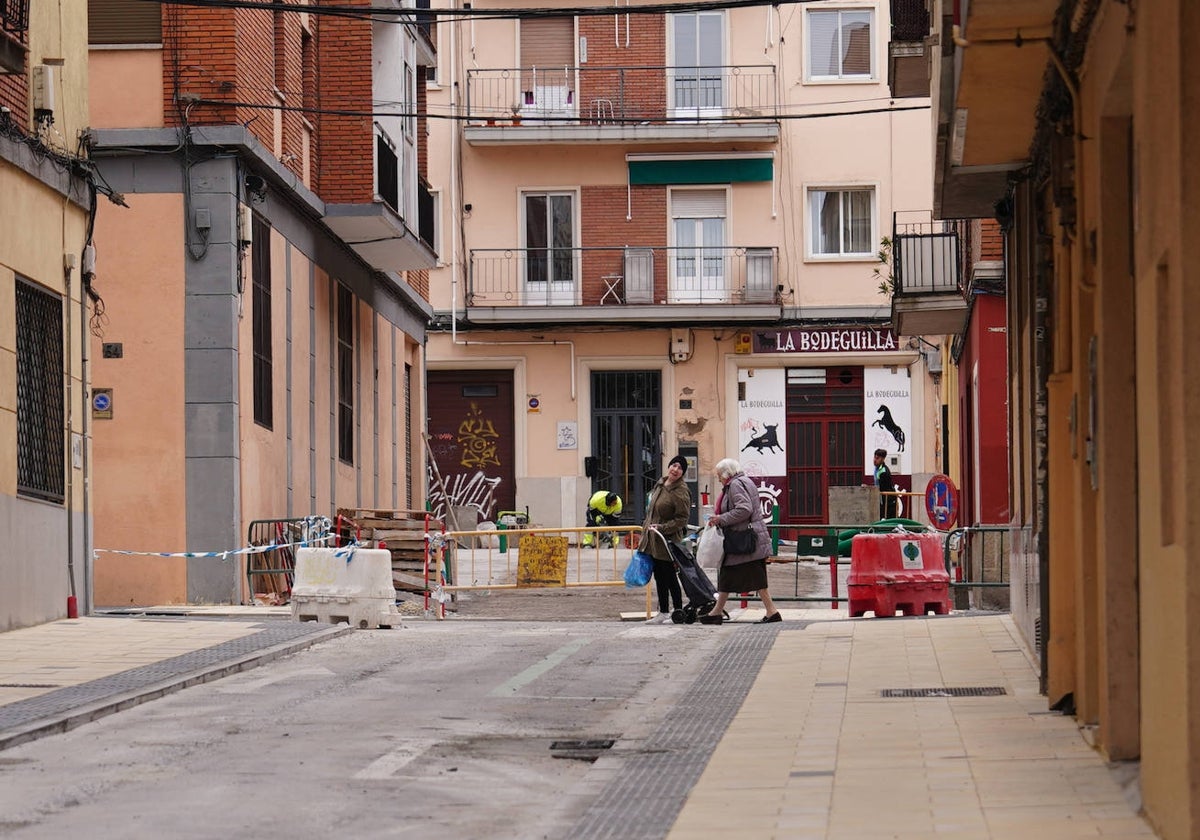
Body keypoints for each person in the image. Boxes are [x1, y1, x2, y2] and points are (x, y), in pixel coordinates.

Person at [699, 457, 780, 624]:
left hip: (743, 539)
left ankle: (771, 611)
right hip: (747, 539)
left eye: (719, 475)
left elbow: (744, 509)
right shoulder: (744, 481)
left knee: (744, 576)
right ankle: (717, 612)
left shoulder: (735, 484)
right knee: (733, 575)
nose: (719, 478)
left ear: (726, 473)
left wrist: (721, 518)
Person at [638, 454, 689, 621]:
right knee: (659, 575)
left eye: (680, 468)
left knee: (669, 575)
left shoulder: (680, 491)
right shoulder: (660, 484)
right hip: (653, 540)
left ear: (683, 473)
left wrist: (663, 528)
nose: (675, 469)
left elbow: (682, 519)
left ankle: (677, 610)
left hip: (667, 540)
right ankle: (664, 611)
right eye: (673, 465)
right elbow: (651, 511)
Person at [873, 448, 897, 520]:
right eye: (874, 457)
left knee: (888, 521)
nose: (875, 460)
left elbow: (882, 487)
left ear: (883, 459)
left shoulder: (884, 471)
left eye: (877, 458)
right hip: (882, 499)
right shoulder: (877, 469)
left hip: (888, 500)